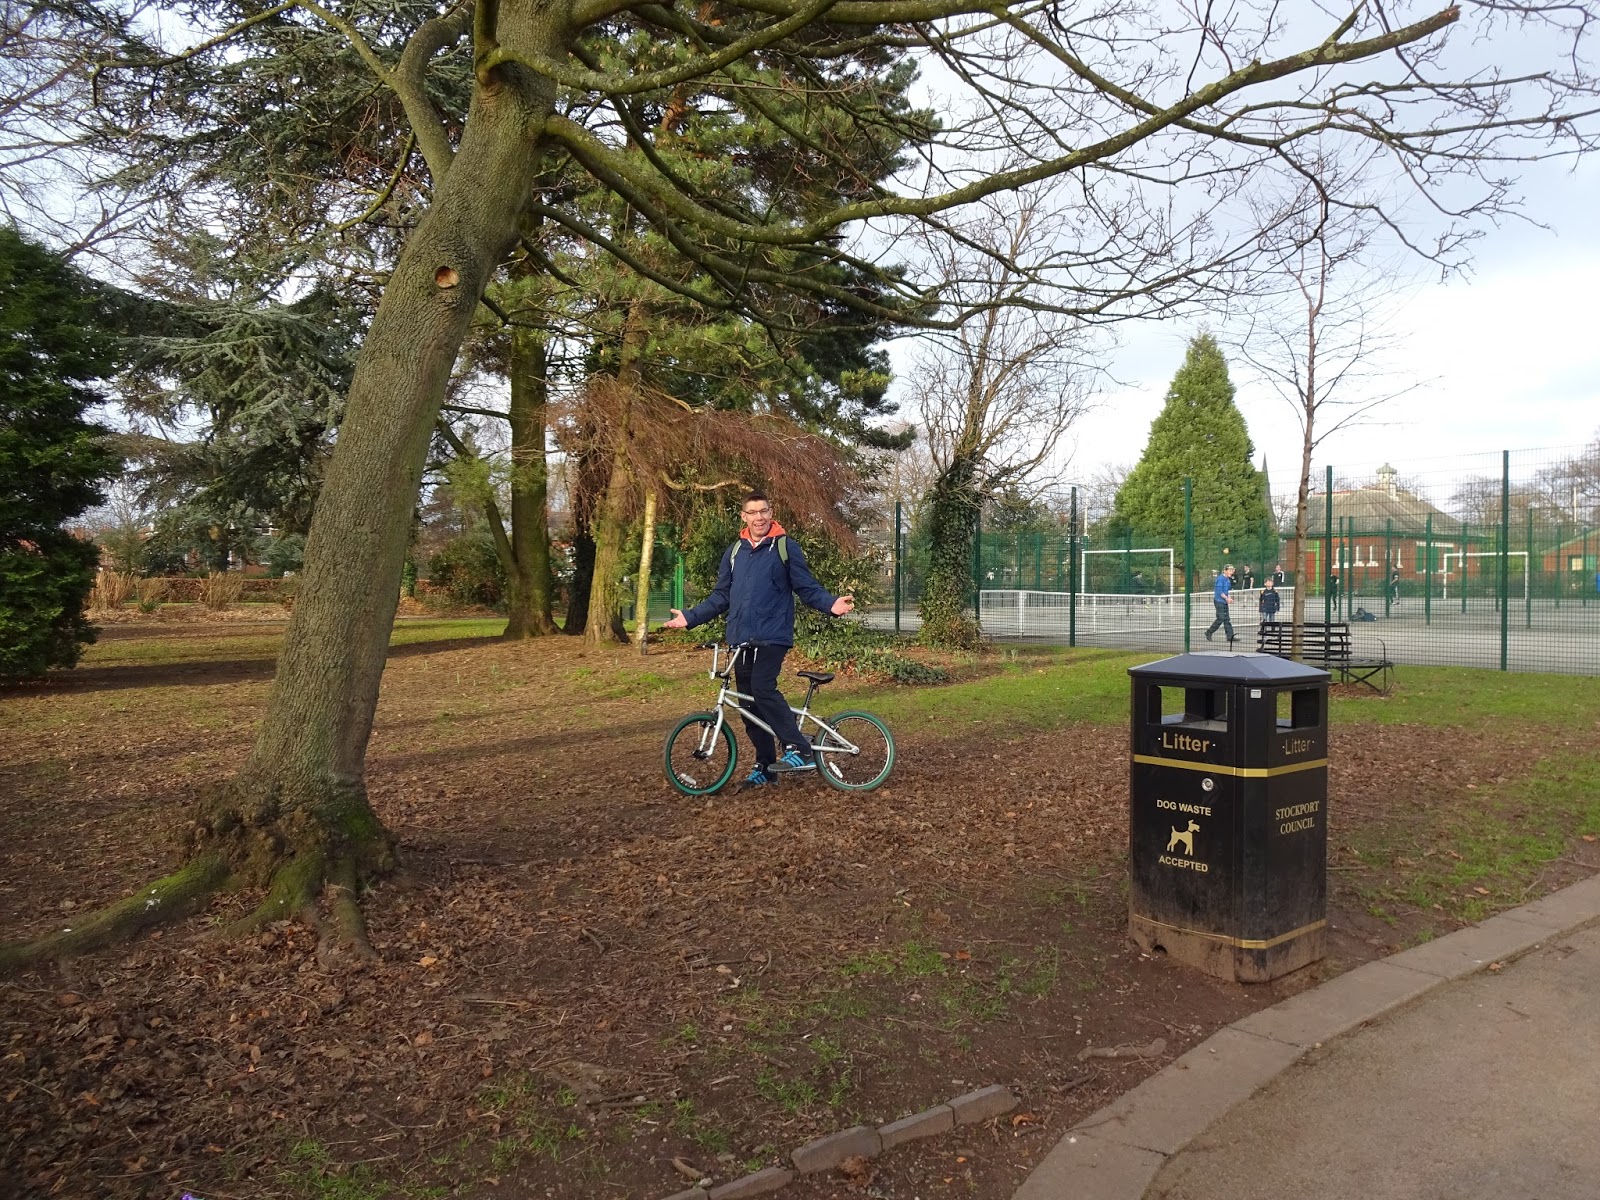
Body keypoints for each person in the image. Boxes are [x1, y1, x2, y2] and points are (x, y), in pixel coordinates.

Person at [663, 492, 854, 787]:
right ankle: (765, 766)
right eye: (752, 512)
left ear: (771, 512)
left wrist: (831, 604)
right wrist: (690, 617)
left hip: (772, 636)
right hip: (740, 639)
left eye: (763, 511)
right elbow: (721, 595)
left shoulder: (785, 548)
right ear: (744, 516)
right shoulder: (735, 551)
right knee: (748, 706)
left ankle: (799, 748)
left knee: (763, 689)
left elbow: (806, 586)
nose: (759, 517)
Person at [1204, 564, 1236, 644]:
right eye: (1229, 570)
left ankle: (1230, 636)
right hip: (1219, 601)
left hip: (1224, 601)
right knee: (1221, 618)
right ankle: (1209, 632)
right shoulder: (1220, 579)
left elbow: (1226, 591)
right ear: (1225, 570)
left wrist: (1228, 598)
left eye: (1232, 570)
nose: (1231, 572)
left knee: (1227, 619)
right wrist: (1227, 598)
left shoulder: (1228, 580)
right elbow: (1219, 592)